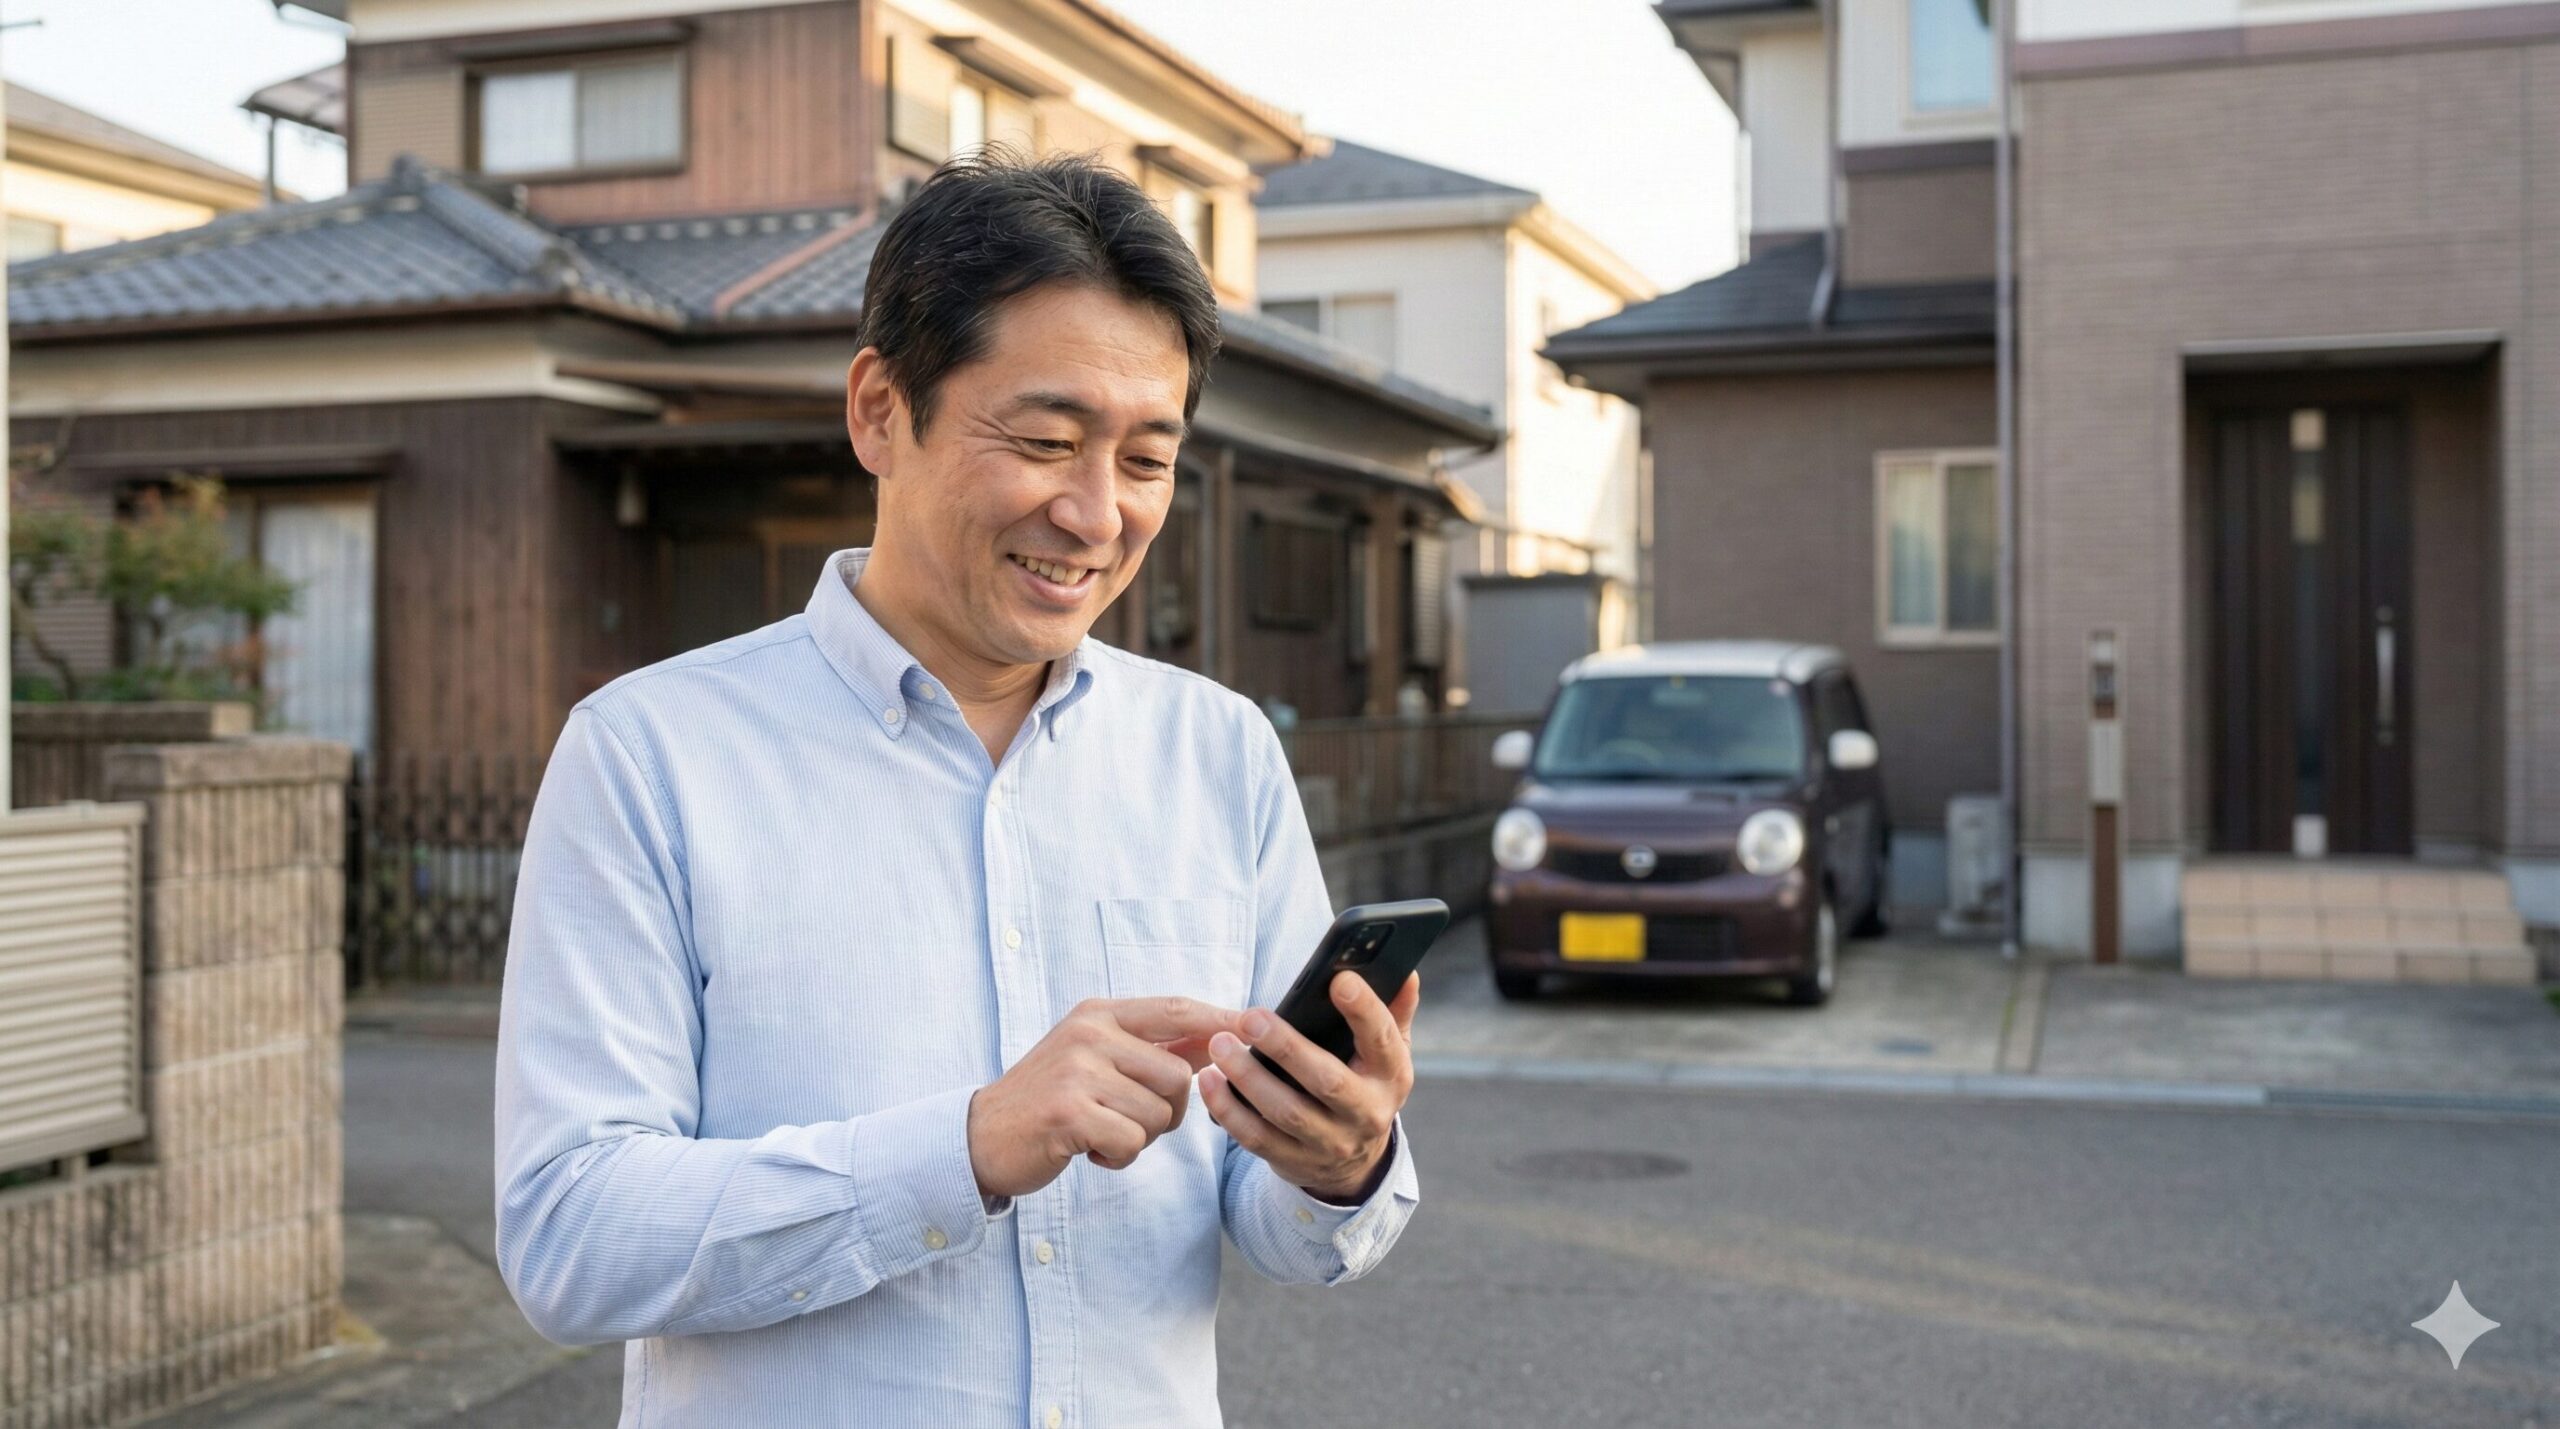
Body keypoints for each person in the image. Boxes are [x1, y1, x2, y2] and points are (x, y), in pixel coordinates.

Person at [492, 150, 1422, 1429]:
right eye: (1045, 440)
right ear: (880, 409)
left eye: (1146, 460)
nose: (1097, 514)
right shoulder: (652, 756)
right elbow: (570, 1234)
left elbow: (1266, 1218)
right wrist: (968, 1145)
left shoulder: (1217, 751)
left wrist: (1339, 1161)